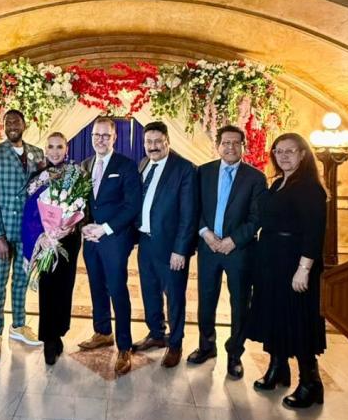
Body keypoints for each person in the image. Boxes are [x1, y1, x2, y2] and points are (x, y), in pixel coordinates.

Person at [248, 132, 328, 408]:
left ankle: (310, 383)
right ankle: (277, 369)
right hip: (271, 261)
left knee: (298, 321)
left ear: (303, 154)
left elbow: (315, 232)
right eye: (278, 151)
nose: (283, 156)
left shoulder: (309, 188)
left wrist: (304, 268)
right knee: (274, 317)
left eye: (290, 151)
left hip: (295, 263)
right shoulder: (278, 183)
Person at [190, 124, 267, 379]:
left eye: (236, 143)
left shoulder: (255, 177)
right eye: (226, 142)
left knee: (240, 304)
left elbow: (257, 217)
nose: (230, 147)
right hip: (209, 247)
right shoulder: (203, 172)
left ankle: (235, 354)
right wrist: (206, 233)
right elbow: (194, 208)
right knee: (206, 300)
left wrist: (233, 241)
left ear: (242, 146)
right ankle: (206, 345)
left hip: (240, 251)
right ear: (218, 145)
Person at [78, 116, 142, 376]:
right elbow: (80, 202)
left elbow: (132, 205)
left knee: (116, 289)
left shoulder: (126, 166)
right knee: (96, 287)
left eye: (106, 135)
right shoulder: (85, 164)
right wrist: (83, 225)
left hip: (115, 237)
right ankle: (102, 331)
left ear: (115, 138)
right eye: (96, 135)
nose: (100, 140)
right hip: (90, 237)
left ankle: (124, 346)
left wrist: (104, 228)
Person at [0, 109, 44, 363]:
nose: (12, 125)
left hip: (26, 232)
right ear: (3, 127)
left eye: (17, 121)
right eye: (8, 122)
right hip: (2, 233)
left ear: (25, 124)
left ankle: (18, 325)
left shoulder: (37, 154)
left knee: (20, 280)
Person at [134, 121, 198, 368]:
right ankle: (156, 334)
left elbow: (188, 214)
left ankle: (175, 343)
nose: (153, 146)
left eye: (157, 141)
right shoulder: (143, 164)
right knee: (149, 291)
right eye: (148, 142)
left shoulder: (184, 169)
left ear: (167, 142)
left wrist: (180, 249)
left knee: (174, 297)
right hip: (146, 242)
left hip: (171, 247)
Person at [21, 132, 84, 365]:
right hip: (46, 241)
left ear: (66, 149)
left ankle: (59, 332)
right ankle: (48, 339)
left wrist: (69, 227)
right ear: (45, 150)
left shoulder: (76, 175)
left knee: (65, 287)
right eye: (51, 147)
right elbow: (31, 212)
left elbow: (81, 206)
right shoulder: (38, 177)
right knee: (48, 287)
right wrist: (43, 236)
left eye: (59, 147)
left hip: (68, 239)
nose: (55, 151)